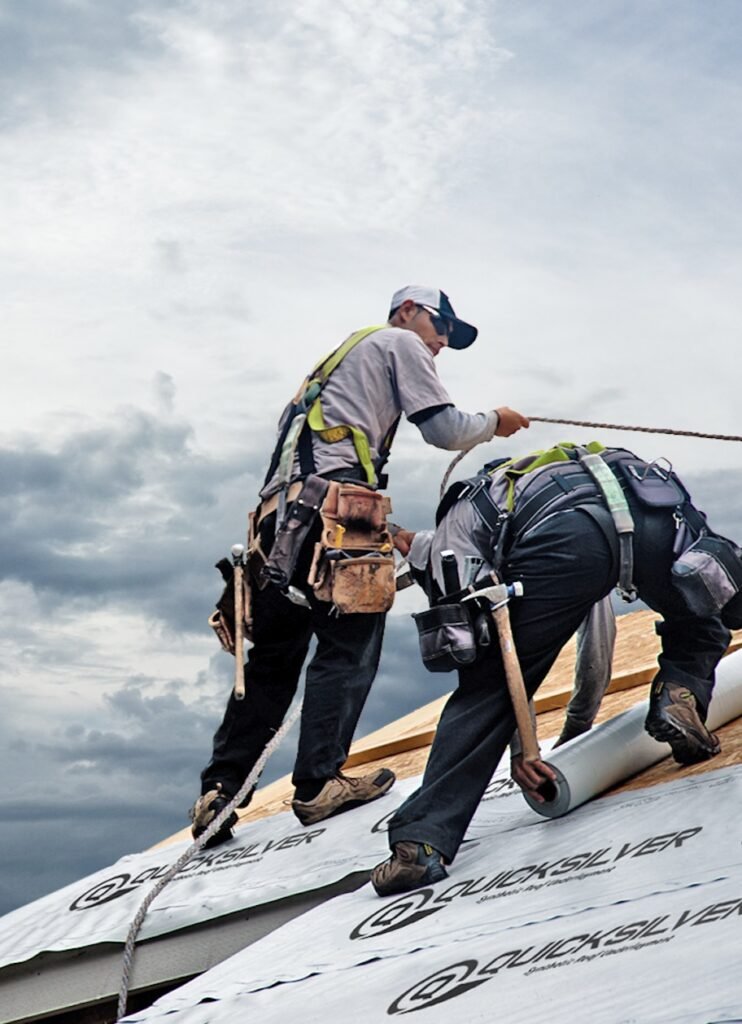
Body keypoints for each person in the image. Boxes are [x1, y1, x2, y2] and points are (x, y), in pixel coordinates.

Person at [190, 285, 530, 846]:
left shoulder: (333, 367)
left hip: (277, 524)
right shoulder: (399, 342)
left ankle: (219, 792)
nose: (442, 342)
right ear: (407, 312)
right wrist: (495, 420)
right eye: (440, 326)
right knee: (350, 646)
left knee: (274, 658)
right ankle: (319, 783)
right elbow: (444, 429)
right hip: (336, 514)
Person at [371, 442, 736, 896]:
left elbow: (500, 662)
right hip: (651, 511)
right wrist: (571, 732)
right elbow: (599, 636)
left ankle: (419, 842)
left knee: (485, 690)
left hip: (569, 534)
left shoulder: (449, 540)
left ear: (409, 550)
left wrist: (531, 748)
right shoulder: (533, 481)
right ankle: (679, 694)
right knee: (706, 608)